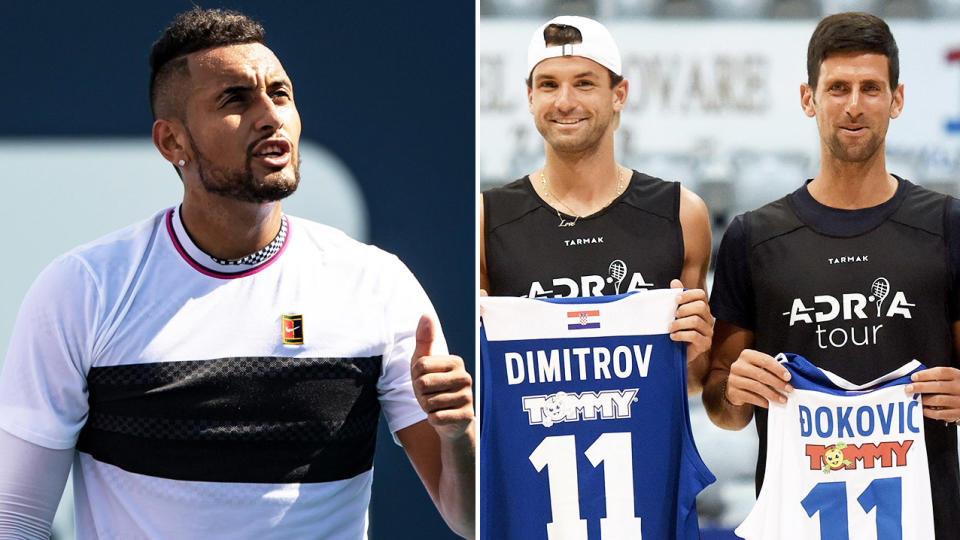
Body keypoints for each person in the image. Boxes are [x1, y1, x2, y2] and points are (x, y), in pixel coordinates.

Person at [0, 8, 474, 539]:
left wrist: (458, 437)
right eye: (235, 99)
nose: (271, 116)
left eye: (281, 94)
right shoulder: (82, 290)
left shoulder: (376, 283)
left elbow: (471, 518)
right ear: (171, 142)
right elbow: (15, 518)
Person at [702, 12, 960, 539]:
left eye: (871, 88)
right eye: (837, 87)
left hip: (929, 522)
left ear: (897, 99)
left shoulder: (946, 224)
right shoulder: (753, 238)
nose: (854, 105)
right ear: (808, 98)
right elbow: (722, 406)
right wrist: (735, 391)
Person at [479, 15, 714, 392]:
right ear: (530, 98)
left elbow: (691, 382)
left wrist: (696, 349)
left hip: (643, 449)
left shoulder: (682, 213)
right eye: (549, 85)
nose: (565, 101)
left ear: (618, 94)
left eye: (584, 84)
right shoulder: (486, 218)